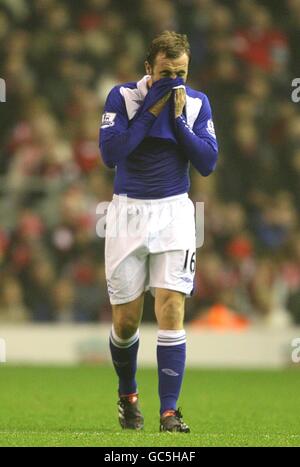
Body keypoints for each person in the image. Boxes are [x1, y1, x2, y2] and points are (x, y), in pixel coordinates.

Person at [99, 31, 218, 433]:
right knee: (127, 322)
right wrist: (153, 110)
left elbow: (206, 162)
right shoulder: (124, 97)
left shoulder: (197, 103)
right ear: (148, 68)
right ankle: (128, 395)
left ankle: (169, 412)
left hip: (175, 213)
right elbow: (111, 153)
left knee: (171, 305)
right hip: (127, 212)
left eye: (181, 72)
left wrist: (179, 120)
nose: (175, 80)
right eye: (166, 72)